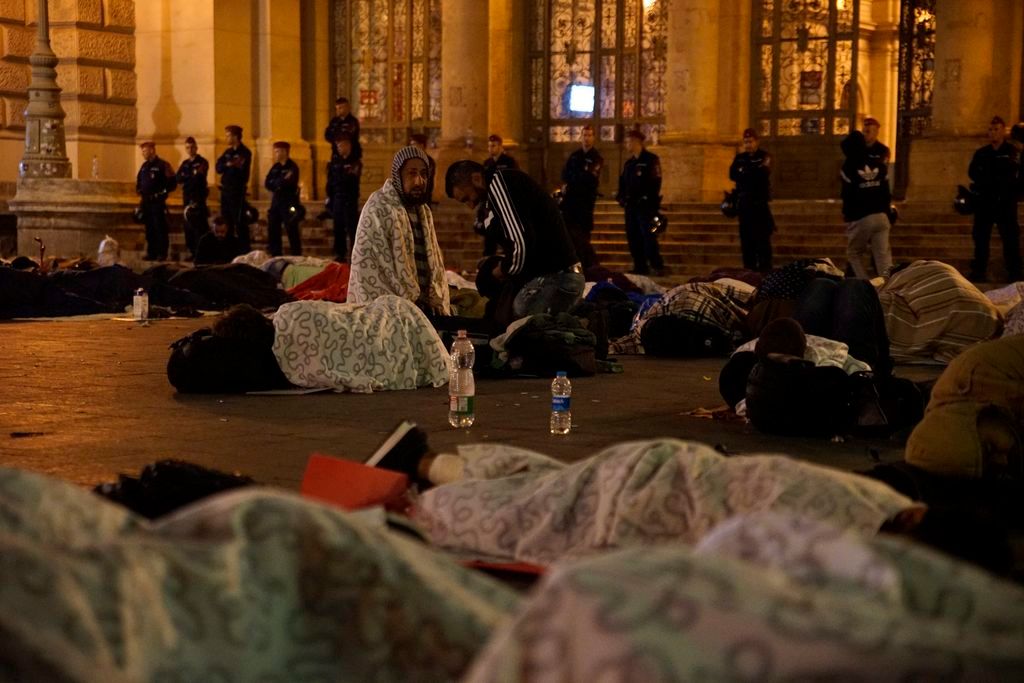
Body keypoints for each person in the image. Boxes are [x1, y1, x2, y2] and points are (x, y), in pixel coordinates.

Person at [445, 160, 583, 326]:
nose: (471, 205)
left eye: (467, 198)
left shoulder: (499, 183)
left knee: (519, 327)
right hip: (558, 277)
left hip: (557, 278)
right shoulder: (497, 192)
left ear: (476, 178)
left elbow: (521, 241)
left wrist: (501, 270)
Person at [348, 146, 451, 315]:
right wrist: (406, 302)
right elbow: (372, 265)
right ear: (398, 175)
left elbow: (435, 266)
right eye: (412, 173)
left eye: (424, 174)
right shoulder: (379, 207)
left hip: (423, 310)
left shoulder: (424, 212)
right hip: (390, 312)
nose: (419, 181)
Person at [967, 116, 1021, 282]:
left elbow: (1018, 175)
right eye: (990, 129)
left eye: (996, 129)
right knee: (981, 238)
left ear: (1003, 131)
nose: (992, 133)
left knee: (1010, 238)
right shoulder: (982, 153)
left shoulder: (1012, 152)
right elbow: (973, 173)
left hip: (1005, 202)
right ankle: (979, 272)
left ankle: (1014, 272)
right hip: (985, 202)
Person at [840, 117, 893, 279]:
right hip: (882, 216)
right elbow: (885, 189)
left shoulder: (848, 166)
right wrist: (887, 211)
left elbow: (848, 194)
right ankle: (889, 286)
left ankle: (863, 286)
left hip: (862, 216)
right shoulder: (877, 163)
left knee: (854, 253)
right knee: (883, 255)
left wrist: (849, 216)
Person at [617, 129, 664, 276]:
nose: (626, 144)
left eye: (629, 141)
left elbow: (656, 181)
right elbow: (623, 183)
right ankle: (640, 266)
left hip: (645, 206)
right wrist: (622, 198)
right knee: (633, 237)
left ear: (637, 142)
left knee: (648, 237)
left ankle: (656, 265)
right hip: (631, 206)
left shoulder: (651, 159)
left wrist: (647, 198)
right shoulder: (629, 163)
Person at [728, 128, 774, 271]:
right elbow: (733, 174)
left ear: (757, 142)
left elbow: (761, 173)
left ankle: (765, 269)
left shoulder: (764, 156)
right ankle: (749, 268)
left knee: (762, 239)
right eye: (745, 142)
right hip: (745, 205)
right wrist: (749, 172)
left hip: (759, 204)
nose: (748, 144)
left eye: (750, 141)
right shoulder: (740, 158)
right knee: (747, 240)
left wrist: (746, 172)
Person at [560, 124, 603, 269]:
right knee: (570, 234)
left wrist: (574, 179)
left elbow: (589, 179)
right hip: (570, 203)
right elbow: (565, 174)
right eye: (584, 135)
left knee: (584, 236)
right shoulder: (575, 156)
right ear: (581, 137)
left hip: (585, 203)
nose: (587, 138)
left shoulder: (596, 158)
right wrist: (575, 178)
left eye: (590, 135)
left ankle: (586, 264)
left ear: (594, 138)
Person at [135, 141, 177, 261]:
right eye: (142, 151)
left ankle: (161, 253)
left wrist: (162, 193)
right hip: (146, 202)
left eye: (144, 150)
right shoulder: (144, 166)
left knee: (160, 228)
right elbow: (139, 180)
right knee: (149, 229)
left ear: (152, 150)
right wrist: (139, 190)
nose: (143, 153)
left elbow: (172, 183)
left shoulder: (163, 165)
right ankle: (151, 252)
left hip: (157, 202)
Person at [215, 124, 253, 252]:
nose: (226, 138)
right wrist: (228, 164)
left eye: (228, 136)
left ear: (235, 136)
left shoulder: (245, 152)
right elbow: (218, 168)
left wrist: (229, 165)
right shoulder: (227, 152)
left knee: (239, 222)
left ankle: (244, 250)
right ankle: (229, 250)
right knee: (227, 221)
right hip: (225, 191)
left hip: (236, 191)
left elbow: (238, 168)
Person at [325, 134, 362, 262]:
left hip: (350, 199)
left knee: (352, 228)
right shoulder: (335, 163)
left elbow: (350, 179)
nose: (340, 148)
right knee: (338, 228)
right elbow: (331, 181)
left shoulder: (355, 162)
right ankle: (340, 253)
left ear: (348, 145)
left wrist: (340, 175)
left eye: (342, 145)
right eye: (338, 146)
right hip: (337, 199)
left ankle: (354, 253)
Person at [263, 141, 302, 256]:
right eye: (275, 151)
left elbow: (288, 183)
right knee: (273, 228)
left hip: (288, 201)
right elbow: (267, 183)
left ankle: (296, 254)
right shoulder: (275, 167)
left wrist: (277, 183)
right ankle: (275, 253)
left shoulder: (292, 167)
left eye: (278, 151)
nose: (275, 154)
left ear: (285, 152)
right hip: (276, 201)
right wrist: (278, 183)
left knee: (291, 229)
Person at [175, 136, 210, 258]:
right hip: (187, 197)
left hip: (198, 197)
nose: (190, 150)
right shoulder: (185, 164)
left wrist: (188, 177)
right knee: (188, 225)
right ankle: (191, 250)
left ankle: (200, 251)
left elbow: (198, 178)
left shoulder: (202, 162)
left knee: (198, 226)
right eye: (187, 148)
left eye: (191, 147)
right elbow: (178, 178)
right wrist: (190, 176)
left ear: (196, 148)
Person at [324, 96, 361, 161]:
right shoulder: (334, 121)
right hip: (336, 155)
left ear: (346, 108)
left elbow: (350, 135)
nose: (338, 111)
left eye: (340, 108)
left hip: (351, 156)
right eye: (336, 108)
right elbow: (328, 135)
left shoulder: (352, 121)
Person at [408, 133, 437, 202]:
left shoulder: (428, 161)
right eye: (411, 145)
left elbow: (427, 181)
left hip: (422, 197)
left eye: (414, 144)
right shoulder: (410, 160)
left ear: (421, 145)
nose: (412, 147)